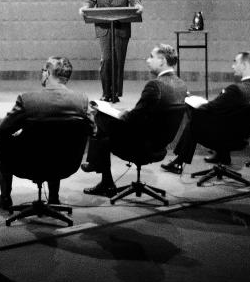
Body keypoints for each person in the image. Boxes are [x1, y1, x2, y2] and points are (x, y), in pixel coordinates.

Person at [80, 44, 188, 196]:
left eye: (151, 56)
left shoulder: (155, 86)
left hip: (142, 145)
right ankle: (98, 167)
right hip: (160, 144)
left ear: (162, 60)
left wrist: (118, 114)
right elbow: (148, 112)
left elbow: (132, 119)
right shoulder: (181, 85)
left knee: (101, 118)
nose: (147, 60)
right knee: (104, 130)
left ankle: (100, 171)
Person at [0, 56, 92, 209]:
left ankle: (5, 198)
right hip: (65, 165)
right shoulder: (82, 101)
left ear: (48, 73)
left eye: (43, 71)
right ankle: (53, 198)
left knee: (1, 133)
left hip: (27, 164)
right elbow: (93, 129)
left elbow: (5, 127)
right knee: (57, 143)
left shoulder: (28, 100)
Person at [161, 51, 250, 174]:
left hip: (227, 135)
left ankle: (179, 162)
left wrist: (195, 103)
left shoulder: (236, 90)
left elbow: (211, 107)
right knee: (225, 117)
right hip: (243, 134)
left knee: (194, 121)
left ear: (244, 65)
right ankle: (223, 155)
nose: (233, 66)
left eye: (235, 62)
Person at [82, 0, 143, 103]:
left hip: (121, 28)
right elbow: (90, 0)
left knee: (118, 60)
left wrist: (137, 5)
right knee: (106, 60)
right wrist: (85, 7)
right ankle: (105, 92)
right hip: (103, 28)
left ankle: (115, 93)